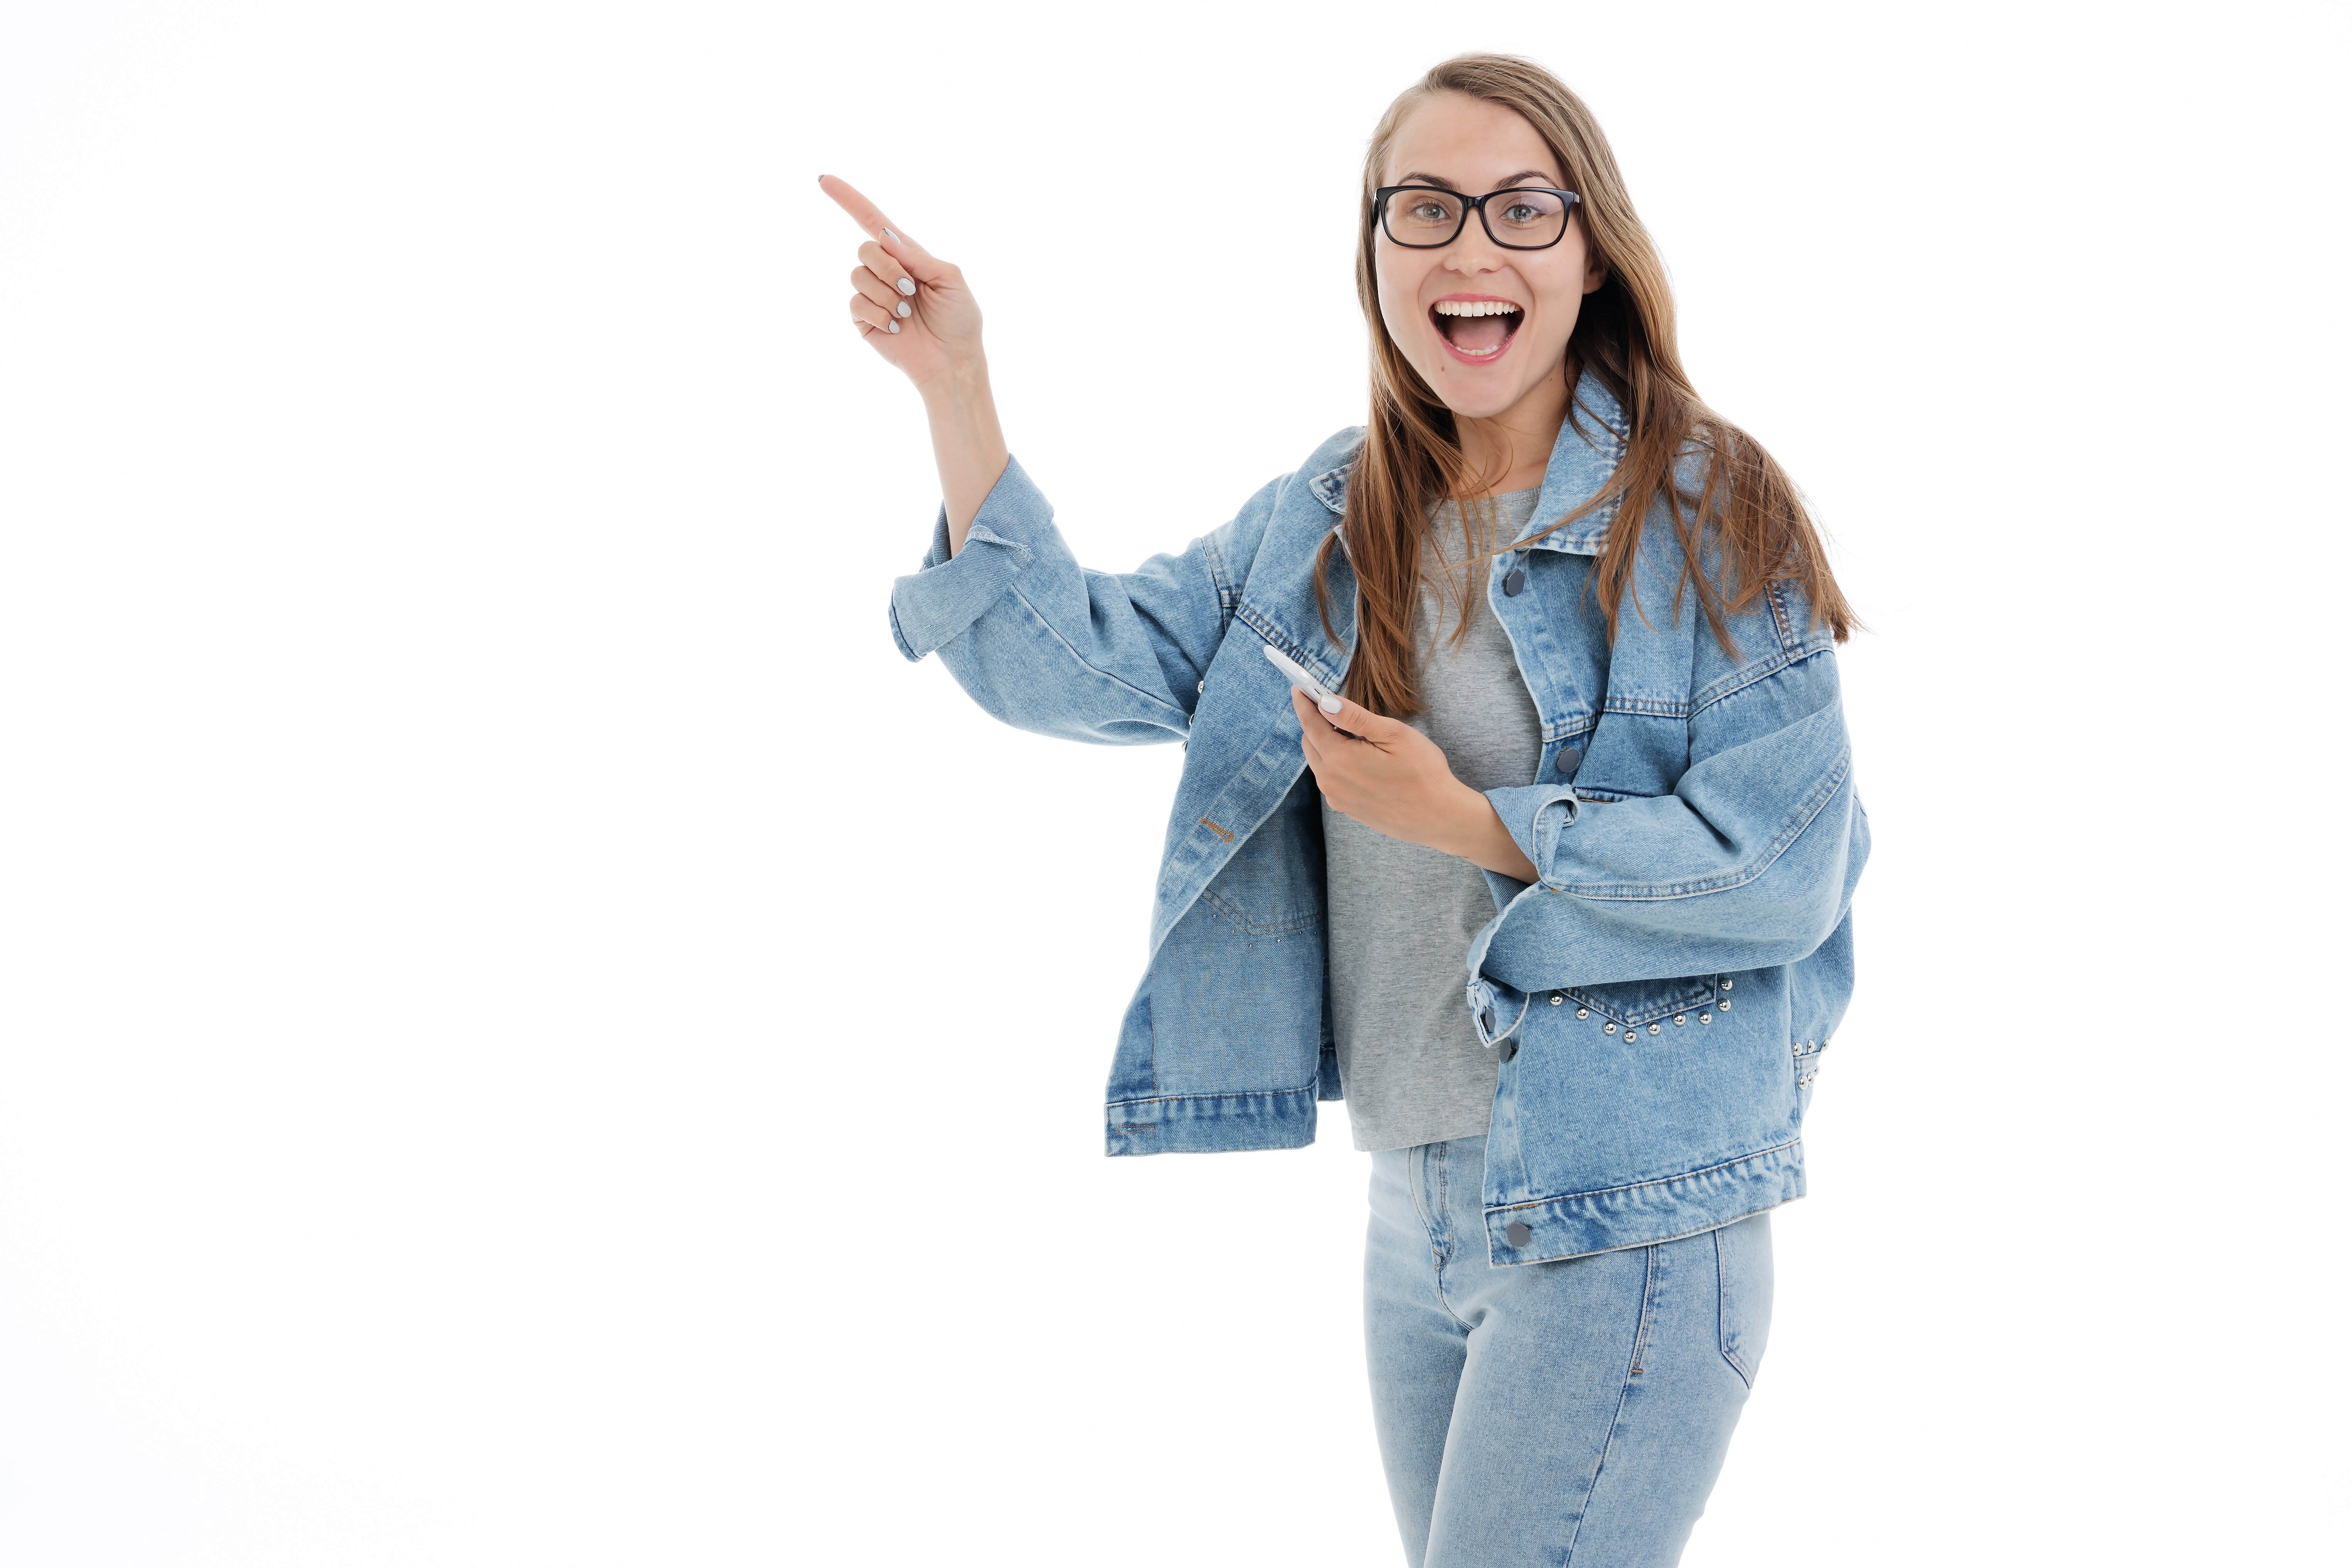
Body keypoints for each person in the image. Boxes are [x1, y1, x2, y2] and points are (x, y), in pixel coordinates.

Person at [822, 51, 1867, 1568]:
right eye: (1423, 207)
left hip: (1624, 1205)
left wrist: (1476, 822)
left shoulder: (1702, 508)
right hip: (1411, 1204)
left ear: (1590, 253)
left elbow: (1783, 867)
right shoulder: (1334, 516)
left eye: (1521, 208)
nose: (1469, 247)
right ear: (1374, 250)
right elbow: (1076, 666)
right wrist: (955, 388)